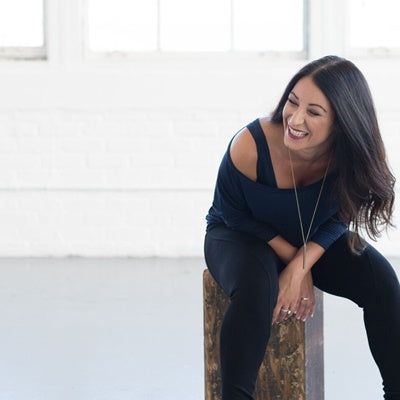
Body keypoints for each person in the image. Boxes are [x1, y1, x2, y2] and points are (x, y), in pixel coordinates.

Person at [203, 55, 400, 400]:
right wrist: (296, 262)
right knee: (258, 286)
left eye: (314, 112)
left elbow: (340, 217)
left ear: (341, 122)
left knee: (381, 281)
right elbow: (233, 214)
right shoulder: (250, 144)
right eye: (292, 102)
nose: (295, 119)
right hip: (238, 234)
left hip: (312, 237)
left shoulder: (351, 156)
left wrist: (302, 263)